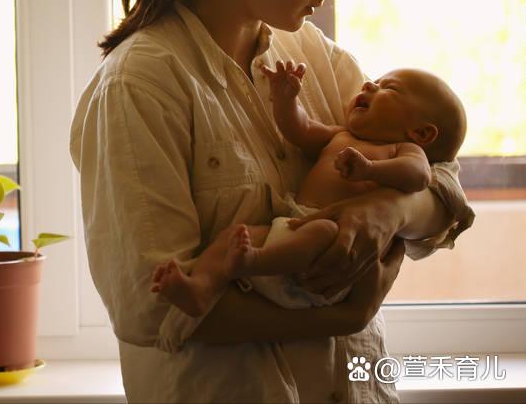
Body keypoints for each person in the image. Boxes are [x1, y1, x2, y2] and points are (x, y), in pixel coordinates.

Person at [69, 0, 476, 404]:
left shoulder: (314, 57)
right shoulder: (141, 86)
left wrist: (390, 209)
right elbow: (152, 309)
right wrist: (337, 315)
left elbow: (444, 184)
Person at [151, 63, 468, 316]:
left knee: (319, 232)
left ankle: (253, 263)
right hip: (289, 227)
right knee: (233, 235)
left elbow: (419, 177)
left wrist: (371, 170)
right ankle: (201, 289)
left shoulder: (402, 150)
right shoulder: (340, 136)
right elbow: (300, 130)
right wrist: (286, 100)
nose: (369, 85)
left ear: (421, 132)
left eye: (389, 88)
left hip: (330, 257)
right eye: (374, 80)